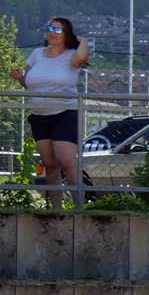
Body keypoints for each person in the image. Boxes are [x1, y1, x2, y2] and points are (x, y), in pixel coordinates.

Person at [10, 17, 89, 210]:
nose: (53, 32)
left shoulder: (71, 55)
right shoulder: (36, 54)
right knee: (50, 164)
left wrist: (83, 40)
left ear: (67, 34)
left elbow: (82, 58)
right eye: (51, 28)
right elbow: (30, 83)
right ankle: (56, 210)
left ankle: (80, 209)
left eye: (59, 30)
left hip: (65, 112)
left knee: (66, 162)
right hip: (39, 115)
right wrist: (20, 78)